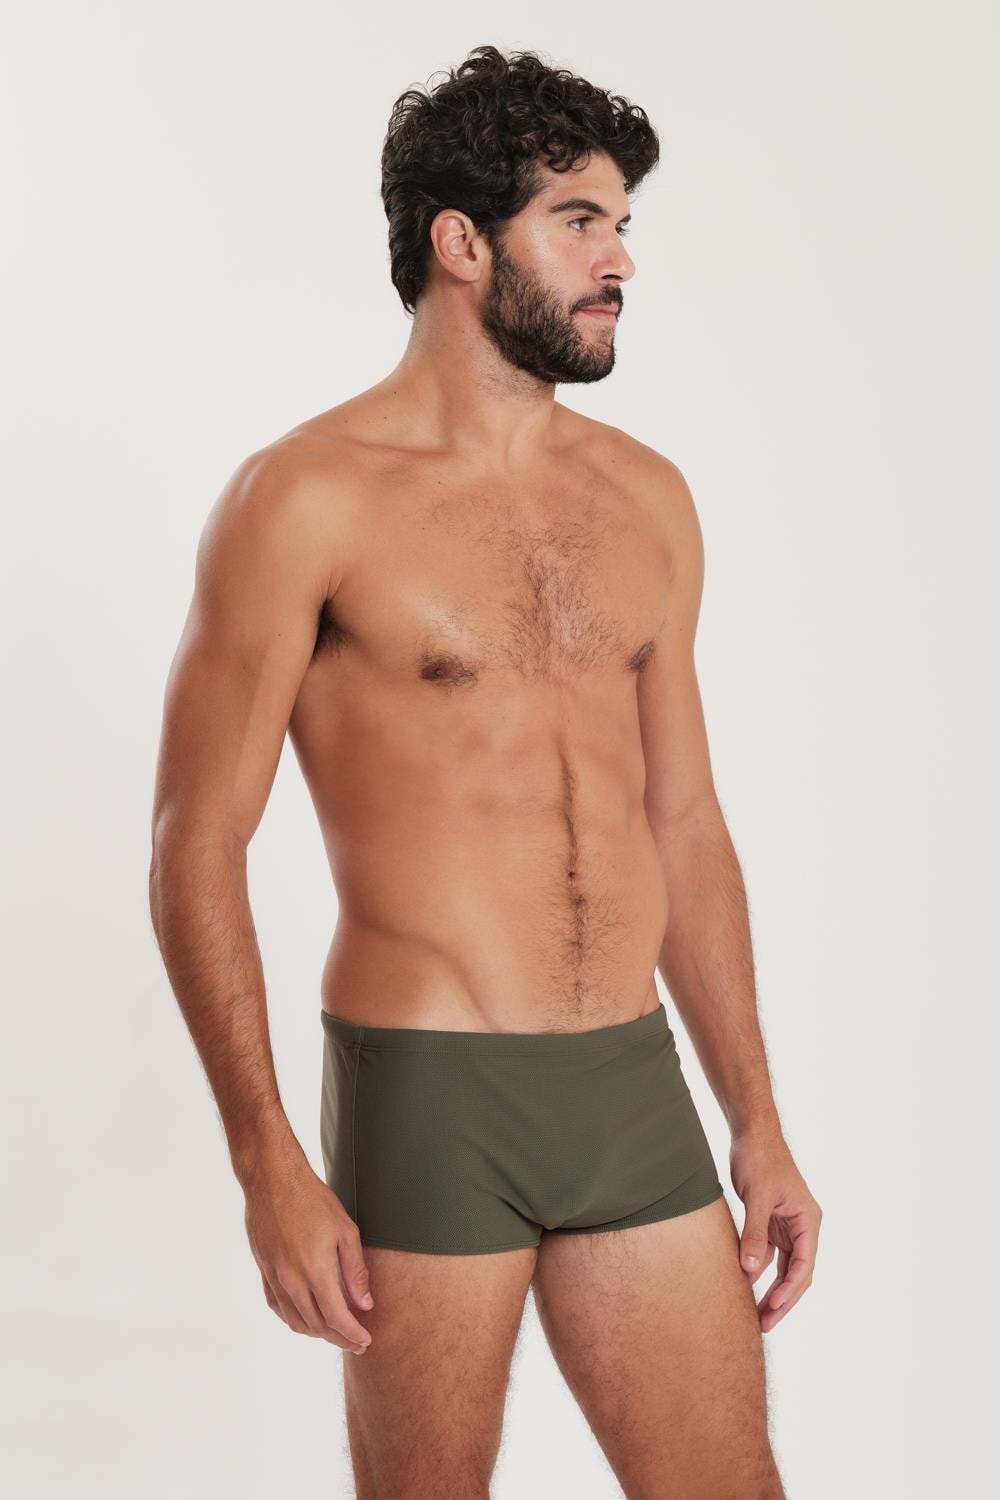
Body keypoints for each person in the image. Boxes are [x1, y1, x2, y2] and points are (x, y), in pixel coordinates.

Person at [149, 43, 820, 1499]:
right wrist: (266, 1161)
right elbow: (195, 843)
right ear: (462, 244)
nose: (620, 259)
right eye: (579, 222)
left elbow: (683, 822)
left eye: (622, 223)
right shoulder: (304, 499)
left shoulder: (645, 497)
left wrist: (756, 1116)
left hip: (628, 1079)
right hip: (430, 1088)